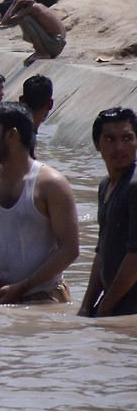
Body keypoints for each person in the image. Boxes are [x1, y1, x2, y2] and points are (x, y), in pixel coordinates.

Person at [0, 102, 79, 304]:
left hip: (43, 296)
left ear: (12, 135)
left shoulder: (51, 184)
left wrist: (23, 287)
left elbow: (69, 249)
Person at [79, 108, 137, 317]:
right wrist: (86, 307)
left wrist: (105, 307)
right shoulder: (105, 185)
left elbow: (135, 257)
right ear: (97, 144)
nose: (119, 147)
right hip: (116, 305)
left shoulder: (134, 186)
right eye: (110, 139)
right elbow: (102, 251)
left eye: (127, 138)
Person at [0, 0, 68, 65]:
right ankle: (40, 51)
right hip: (55, 44)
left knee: (24, 19)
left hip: (54, 44)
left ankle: (42, 52)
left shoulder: (34, 8)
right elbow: (5, 22)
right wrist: (16, 2)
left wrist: (16, 4)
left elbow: (5, 21)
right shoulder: (32, 8)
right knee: (22, 17)